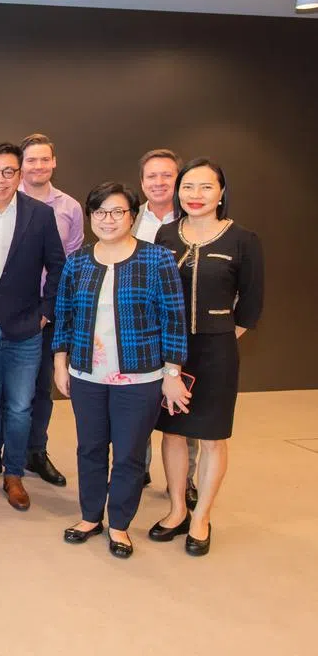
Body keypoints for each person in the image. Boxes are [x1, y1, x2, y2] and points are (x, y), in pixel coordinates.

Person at [53, 182, 190, 559]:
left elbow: (174, 320)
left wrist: (172, 373)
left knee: (129, 454)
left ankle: (119, 525)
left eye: (117, 212)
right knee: (90, 448)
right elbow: (64, 315)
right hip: (86, 375)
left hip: (140, 377)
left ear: (132, 216)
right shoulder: (78, 261)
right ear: (90, 217)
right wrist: (60, 361)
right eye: (100, 212)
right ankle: (90, 516)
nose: (108, 220)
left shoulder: (157, 259)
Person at [149, 159, 264, 557]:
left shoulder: (243, 240)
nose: (194, 196)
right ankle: (178, 509)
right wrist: (171, 356)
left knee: (213, 436)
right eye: (187, 187)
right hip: (170, 353)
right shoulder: (165, 236)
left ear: (221, 193)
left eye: (205, 187)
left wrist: (219, 338)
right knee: (173, 431)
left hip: (217, 351)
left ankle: (202, 518)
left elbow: (250, 306)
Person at [0, 132, 84, 487]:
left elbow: (60, 266)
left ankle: (14, 473)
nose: (0, 179)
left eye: (8, 172)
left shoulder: (41, 215)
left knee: (20, 407)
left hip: (26, 327)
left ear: (18, 176)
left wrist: (46, 309)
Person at [134, 149, 196, 497]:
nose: (159, 183)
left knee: (182, 410)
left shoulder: (194, 220)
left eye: (167, 176)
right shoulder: (130, 217)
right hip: (139, 329)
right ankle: (136, 470)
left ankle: (183, 480)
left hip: (180, 328)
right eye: (151, 176)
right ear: (142, 183)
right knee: (136, 406)